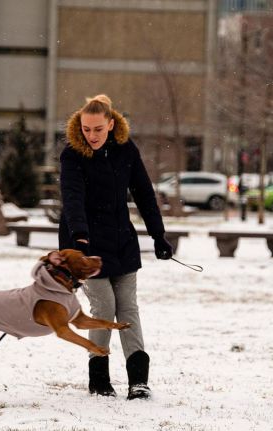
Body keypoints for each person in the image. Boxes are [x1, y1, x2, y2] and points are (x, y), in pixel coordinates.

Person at [58, 94, 173, 400]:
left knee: (128, 308)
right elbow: (72, 198)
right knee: (104, 306)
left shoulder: (126, 150)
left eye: (97, 129)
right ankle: (99, 377)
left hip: (122, 241)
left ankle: (138, 381)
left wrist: (158, 235)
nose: (91, 135)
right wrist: (79, 237)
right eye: (86, 129)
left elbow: (144, 194)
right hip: (86, 247)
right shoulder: (72, 155)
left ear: (111, 124)